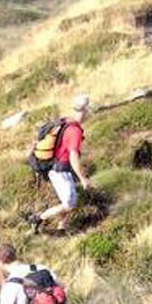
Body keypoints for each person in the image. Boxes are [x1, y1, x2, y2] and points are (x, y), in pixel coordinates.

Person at [28, 94, 91, 234]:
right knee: (69, 204)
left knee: (69, 199)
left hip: (57, 167)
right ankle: (38, 218)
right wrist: (83, 179)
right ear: (85, 111)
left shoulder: (65, 121)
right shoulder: (75, 131)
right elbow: (73, 156)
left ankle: (61, 228)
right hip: (60, 171)